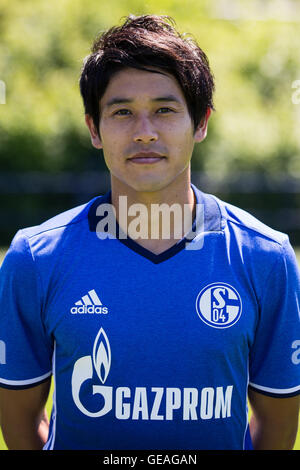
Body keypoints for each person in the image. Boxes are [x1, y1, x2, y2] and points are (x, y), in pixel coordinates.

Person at [0, 14, 299, 451]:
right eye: (122, 112)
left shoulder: (266, 257)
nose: (144, 133)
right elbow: (20, 423)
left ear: (200, 123)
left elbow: (277, 427)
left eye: (164, 110)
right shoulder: (35, 258)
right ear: (93, 129)